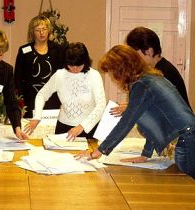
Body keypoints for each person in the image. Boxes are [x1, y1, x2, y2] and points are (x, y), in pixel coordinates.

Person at [76, 45, 195, 179]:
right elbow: (153, 121)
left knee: (188, 186)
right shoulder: (151, 78)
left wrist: (98, 151)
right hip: (188, 136)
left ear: (122, 69)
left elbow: (127, 121)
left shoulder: (142, 85)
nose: (114, 78)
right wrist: (145, 154)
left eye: (113, 72)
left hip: (187, 140)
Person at [110, 26, 192, 163]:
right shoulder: (155, 71)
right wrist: (145, 154)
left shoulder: (162, 73)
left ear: (149, 51)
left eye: (135, 54)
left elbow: (157, 116)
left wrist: (134, 107)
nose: (133, 60)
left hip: (182, 142)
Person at [24, 42, 106, 140]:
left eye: (79, 65)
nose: (75, 69)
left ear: (86, 61)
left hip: (88, 128)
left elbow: (101, 105)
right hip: (63, 127)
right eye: (71, 65)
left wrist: (82, 126)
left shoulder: (94, 76)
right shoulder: (59, 75)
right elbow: (42, 95)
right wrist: (37, 117)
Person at [14, 15, 65, 118]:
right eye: (38, 30)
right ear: (32, 32)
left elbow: (64, 77)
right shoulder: (24, 50)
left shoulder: (58, 50)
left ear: (49, 30)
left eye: (44, 29)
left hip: (53, 100)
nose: (41, 33)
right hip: (30, 101)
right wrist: (20, 103)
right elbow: (18, 78)